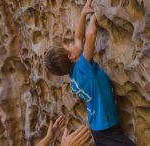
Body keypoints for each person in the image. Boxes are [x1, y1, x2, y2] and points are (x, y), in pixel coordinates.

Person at [44, 0, 136, 145]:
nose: (71, 43)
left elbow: (78, 38)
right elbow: (91, 34)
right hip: (106, 129)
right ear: (72, 56)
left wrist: (83, 14)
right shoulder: (84, 68)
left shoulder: (75, 72)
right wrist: (95, 17)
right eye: (69, 46)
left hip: (99, 127)